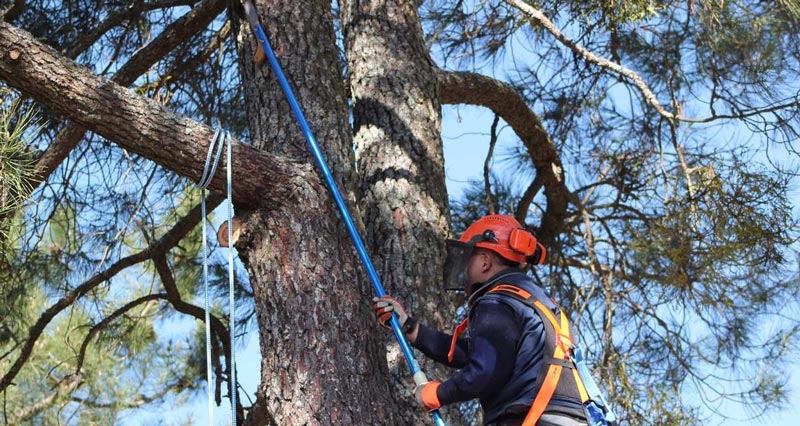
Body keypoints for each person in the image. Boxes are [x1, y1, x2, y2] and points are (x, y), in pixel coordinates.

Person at [373, 214, 601, 426]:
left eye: (468, 261)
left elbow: (484, 371)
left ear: (485, 261)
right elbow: (480, 353)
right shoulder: (533, 302)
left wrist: (438, 394)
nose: (463, 274)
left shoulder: (497, 301)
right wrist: (410, 328)